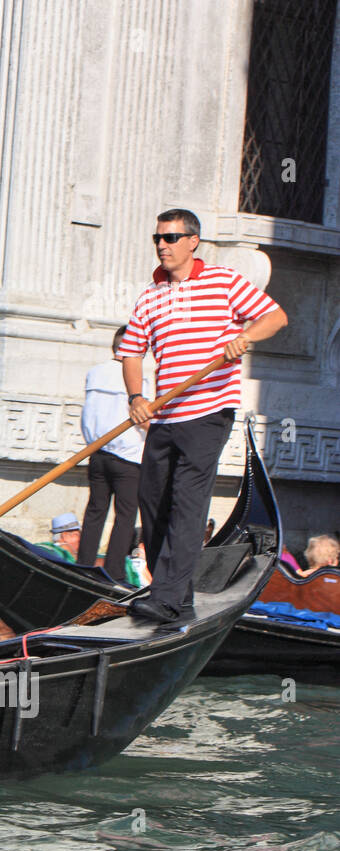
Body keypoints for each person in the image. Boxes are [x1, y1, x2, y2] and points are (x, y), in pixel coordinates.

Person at [121, 208, 288, 624]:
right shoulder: (150, 295)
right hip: (165, 414)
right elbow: (131, 352)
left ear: (193, 241)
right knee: (152, 499)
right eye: (158, 238)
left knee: (187, 502)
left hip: (209, 410)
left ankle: (166, 597)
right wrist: (136, 397)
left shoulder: (224, 282)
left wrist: (243, 337)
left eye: (172, 237)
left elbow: (276, 317)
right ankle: (178, 595)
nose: (163, 245)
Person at [77, 326, 146, 582]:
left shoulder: (94, 373)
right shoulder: (138, 382)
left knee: (95, 510)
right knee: (125, 515)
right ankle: (115, 573)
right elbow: (143, 419)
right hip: (128, 458)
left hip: (98, 453)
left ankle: (83, 565)